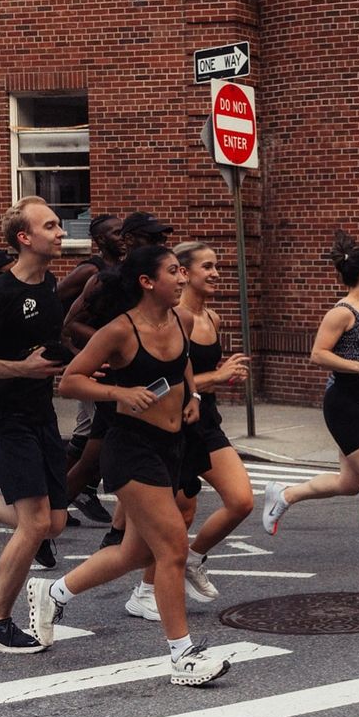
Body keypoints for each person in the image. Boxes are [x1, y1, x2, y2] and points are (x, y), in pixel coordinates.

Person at [27, 244, 231, 686]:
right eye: (174, 272)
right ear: (147, 281)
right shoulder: (120, 331)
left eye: (182, 271)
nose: (182, 278)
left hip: (172, 445)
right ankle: (183, 656)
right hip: (131, 447)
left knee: (135, 551)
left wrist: (193, 396)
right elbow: (71, 382)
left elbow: (184, 365)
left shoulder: (182, 319)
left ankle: (52, 591)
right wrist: (120, 394)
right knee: (174, 546)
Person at [259, 234, 359, 572]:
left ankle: (284, 495)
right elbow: (318, 354)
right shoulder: (341, 312)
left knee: (350, 482)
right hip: (343, 401)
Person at [123, 241, 254, 619]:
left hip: (205, 421)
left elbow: (198, 377)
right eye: (207, 267)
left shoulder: (211, 319)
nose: (215, 274)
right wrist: (218, 375)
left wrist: (219, 374)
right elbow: (169, 380)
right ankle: (145, 591)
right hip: (171, 424)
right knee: (178, 516)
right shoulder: (172, 317)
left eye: (217, 267)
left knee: (241, 500)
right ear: (183, 272)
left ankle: (195, 557)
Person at [62, 211, 173, 549]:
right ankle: (47, 518)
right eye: (151, 238)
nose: (159, 244)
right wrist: (111, 344)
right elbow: (70, 325)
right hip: (115, 381)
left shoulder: (155, 279)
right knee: (96, 456)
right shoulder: (104, 279)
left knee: (100, 455)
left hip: (146, 381)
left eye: (161, 239)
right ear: (129, 241)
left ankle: (116, 531)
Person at [0, 197, 68, 654]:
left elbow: (47, 349)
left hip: (42, 414)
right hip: (5, 417)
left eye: (60, 224)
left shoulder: (50, 285)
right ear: (25, 238)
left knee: (54, 523)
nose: (61, 231)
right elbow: (23, 362)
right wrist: (22, 370)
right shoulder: (0, 291)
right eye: (51, 225)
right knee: (34, 523)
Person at [57, 214, 123, 529]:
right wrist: (73, 350)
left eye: (124, 231)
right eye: (114, 232)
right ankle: (63, 497)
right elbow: (55, 305)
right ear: (100, 240)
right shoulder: (91, 270)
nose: (121, 236)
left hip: (108, 364)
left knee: (87, 436)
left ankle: (62, 495)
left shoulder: (121, 271)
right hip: (93, 367)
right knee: (93, 437)